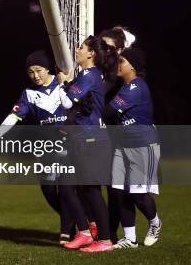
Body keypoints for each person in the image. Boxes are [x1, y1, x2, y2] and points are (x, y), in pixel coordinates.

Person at [0, 50, 74, 244]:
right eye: (31, 72)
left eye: (39, 70)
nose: (35, 76)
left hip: (68, 144)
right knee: (47, 188)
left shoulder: (64, 83)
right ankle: (75, 218)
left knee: (65, 188)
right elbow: (15, 115)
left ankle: (66, 229)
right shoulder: (29, 93)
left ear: (47, 68)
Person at [57, 36, 118, 252]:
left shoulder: (90, 75)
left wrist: (62, 83)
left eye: (81, 47)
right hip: (83, 137)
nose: (77, 49)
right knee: (69, 185)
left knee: (91, 190)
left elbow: (66, 102)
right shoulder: (86, 76)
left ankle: (105, 240)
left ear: (91, 54)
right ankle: (84, 232)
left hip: (92, 139)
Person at [106, 48, 162, 249]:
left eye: (121, 61)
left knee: (138, 195)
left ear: (133, 66)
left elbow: (109, 112)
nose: (117, 64)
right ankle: (130, 239)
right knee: (119, 191)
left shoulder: (136, 87)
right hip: (123, 145)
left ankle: (155, 223)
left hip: (142, 144)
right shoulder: (125, 87)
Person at [99, 26, 136, 243]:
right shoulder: (103, 68)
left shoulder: (118, 73)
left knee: (118, 188)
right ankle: (106, 232)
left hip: (120, 135)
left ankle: (115, 234)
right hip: (104, 134)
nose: (103, 50)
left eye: (109, 47)